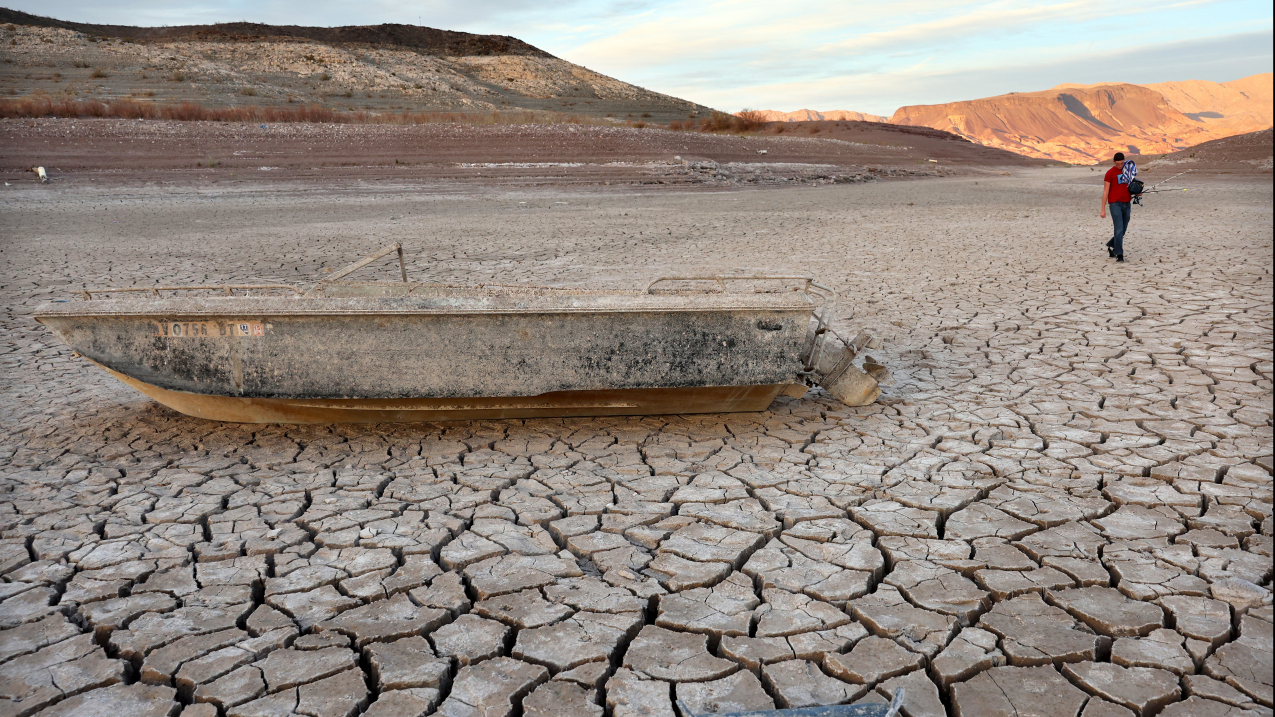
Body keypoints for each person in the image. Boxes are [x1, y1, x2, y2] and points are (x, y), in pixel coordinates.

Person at [1100, 152, 1133, 262]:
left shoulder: (1128, 171)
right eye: (1118, 164)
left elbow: (1131, 185)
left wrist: (1137, 192)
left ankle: (1111, 245)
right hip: (1115, 204)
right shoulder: (1110, 173)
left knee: (1123, 229)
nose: (1120, 166)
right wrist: (1103, 209)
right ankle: (1119, 254)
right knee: (1118, 229)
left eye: (1122, 163)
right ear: (1114, 162)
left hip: (1127, 203)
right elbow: (1105, 191)